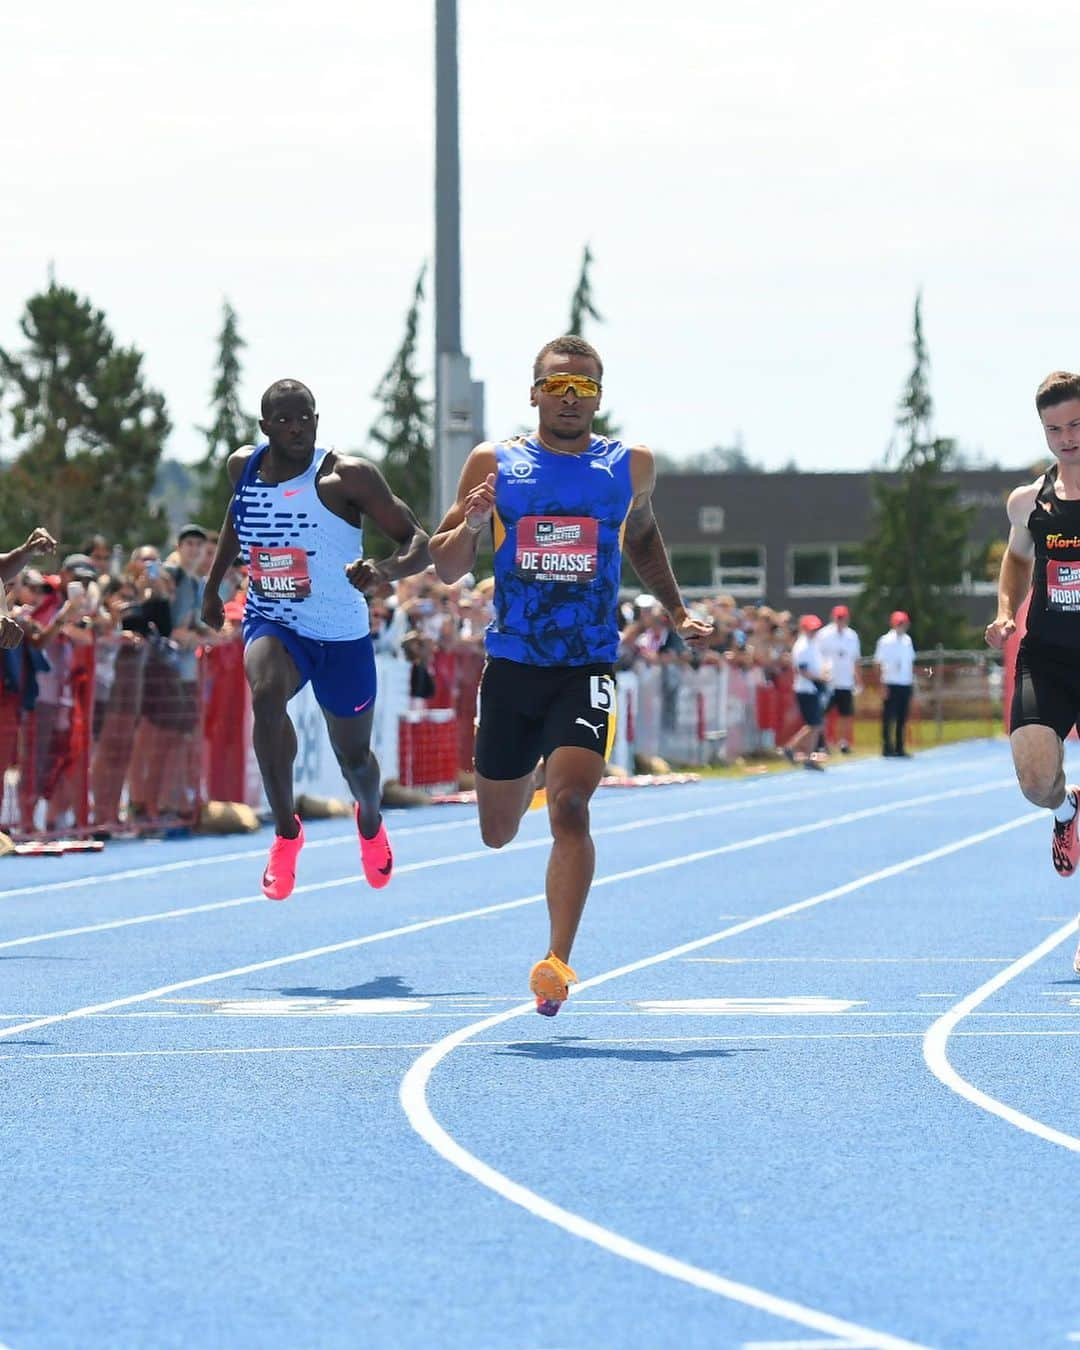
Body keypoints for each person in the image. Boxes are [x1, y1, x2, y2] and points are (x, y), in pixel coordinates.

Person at [429, 335, 712, 1016]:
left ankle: (556, 962)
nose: (569, 399)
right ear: (534, 393)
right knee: (497, 831)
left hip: (585, 662)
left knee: (571, 808)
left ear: (599, 397)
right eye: (557, 387)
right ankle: (523, 762)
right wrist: (470, 526)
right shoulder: (494, 462)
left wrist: (676, 610)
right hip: (513, 664)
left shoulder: (630, 465)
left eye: (583, 389)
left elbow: (641, 537)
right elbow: (443, 565)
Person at [201, 378, 429, 899]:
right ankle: (285, 833)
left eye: (304, 417)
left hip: (342, 635)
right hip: (273, 618)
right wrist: (213, 588)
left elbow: (420, 541)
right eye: (283, 420)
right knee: (264, 694)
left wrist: (385, 570)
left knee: (356, 762)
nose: (296, 427)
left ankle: (369, 821)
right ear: (265, 428)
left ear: (317, 420)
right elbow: (235, 518)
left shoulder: (346, 477)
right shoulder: (244, 466)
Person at [985, 373, 1080, 959]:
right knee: (1034, 781)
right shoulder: (1028, 501)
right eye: (1055, 428)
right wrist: (1003, 611)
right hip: (1045, 656)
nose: (1066, 437)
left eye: (1076, 425)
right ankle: (1067, 808)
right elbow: (1016, 562)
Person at [781, 614, 827, 771]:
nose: (814, 632)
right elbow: (803, 670)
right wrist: (821, 678)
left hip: (812, 688)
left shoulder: (812, 644)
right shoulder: (803, 646)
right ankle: (797, 750)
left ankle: (800, 752)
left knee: (814, 724)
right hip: (806, 689)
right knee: (815, 724)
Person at [819, 603, 861, 753]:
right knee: (823, 713)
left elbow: (855, 659)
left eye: (843, 618)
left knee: (845, 714)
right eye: (838, 618)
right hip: (829, 681)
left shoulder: (852, 636)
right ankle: (822, 742)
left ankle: (843, 742)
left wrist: (858, 679)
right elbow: (819, 656)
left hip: (845, 681)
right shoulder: (824, 635)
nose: (840, 621)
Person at [875, 611, 915, 757]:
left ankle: (900, 746)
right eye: (899, 623)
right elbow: (879, 663)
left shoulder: (907, 641)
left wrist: (911, 682)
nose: (901, 626)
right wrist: (882, 684)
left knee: (902, 717)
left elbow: (909, 662)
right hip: (890, 682)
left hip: (904, 682)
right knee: (888, 717)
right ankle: (887, 747)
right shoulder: (885, 641)